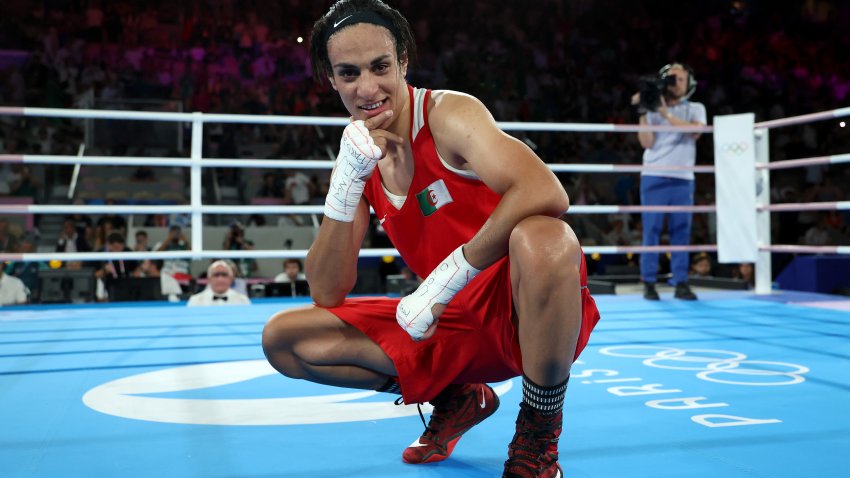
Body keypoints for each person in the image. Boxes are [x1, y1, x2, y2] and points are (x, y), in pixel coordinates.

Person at [261, 1, 601, 476]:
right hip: (448, 325)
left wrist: (447, 276)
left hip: (524, 310)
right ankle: (456, 397)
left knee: (547, 237)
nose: (368, 88)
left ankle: (538, 433)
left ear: (402, 60)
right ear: (332, 80)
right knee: (285, 339)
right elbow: (326, 290)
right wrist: (345, 182)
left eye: (380, 66)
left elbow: (545, 189)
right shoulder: (360, 154)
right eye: (349, 73)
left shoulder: (447, 114)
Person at [633, 62, 706, 301]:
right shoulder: (652, 110)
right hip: (653, 174)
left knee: (680, 232)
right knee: (651, 231)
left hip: (683, 177)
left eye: (680, 79)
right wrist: (645, 110)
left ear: (689, 84)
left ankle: (681, 282)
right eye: (671, 78)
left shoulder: (696, 108)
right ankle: (649, 283)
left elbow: (696, 132)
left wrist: (666, 114)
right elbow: (646, 142)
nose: (675, 83)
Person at [187, 260, 251, 306]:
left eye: (224, 275)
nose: (220, 279)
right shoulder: (195, 301)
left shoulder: (243, 300)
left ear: (231, 278)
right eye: (216, 275)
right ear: (209, 278)